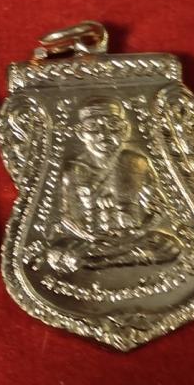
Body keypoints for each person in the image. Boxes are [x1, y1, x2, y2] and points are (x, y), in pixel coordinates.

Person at [46, 97, 180, 273]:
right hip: (93, 240)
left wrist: (139, 231)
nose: (104, 134)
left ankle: (100, 261)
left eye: (113, 125)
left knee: (170, 248)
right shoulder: (74, 170)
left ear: (124, 129)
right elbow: (66, 217)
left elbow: (158, 208)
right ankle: (126, 257)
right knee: (58, 254)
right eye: (93, 127)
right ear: (81, 133)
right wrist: (90, 236)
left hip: (133, 237)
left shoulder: (137, 162)